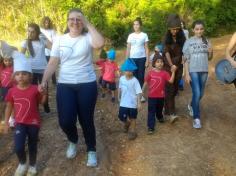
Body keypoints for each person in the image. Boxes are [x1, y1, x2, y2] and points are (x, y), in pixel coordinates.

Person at [39, 8, 104, 167]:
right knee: (65, 120)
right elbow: (53, 61)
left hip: (86, 84)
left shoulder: (88, 37)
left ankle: (91, 150)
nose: (75, 22)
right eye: (72, 19)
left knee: (86, 119)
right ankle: (73, 139)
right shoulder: (60, 40)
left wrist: (87, 21)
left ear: (82, 22)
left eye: (78, 19)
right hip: (65, 84)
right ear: (67, 22)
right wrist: (44, 81)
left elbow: (100, 43)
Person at [4, 52, 47, 176]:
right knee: (18, 147)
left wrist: (44, 93)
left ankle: (32, 165)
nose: (21, 76)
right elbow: (9, 106)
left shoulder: (34, 89)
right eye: (17, 74)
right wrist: (6, 122)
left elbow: (42, 103)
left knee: (33, 145)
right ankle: (22, 163)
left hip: (33, 123)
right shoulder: (12, 91)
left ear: (30, 76)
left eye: (24, 74)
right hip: (20, 123)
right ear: (14, 76)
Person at [183, 20, 213, 129]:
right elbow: (185, 59)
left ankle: (191, 105)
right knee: (197, 92)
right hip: (193, 70)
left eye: (201, 29)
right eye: (197, 29)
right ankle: (196, 119)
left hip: (204, 70)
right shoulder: (189, 42)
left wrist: (210, 52)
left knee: (201, 94)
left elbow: (210, 58)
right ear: (193, 30)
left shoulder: (207, 41)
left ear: (203, 29)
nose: (199, 31)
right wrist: (186, 73)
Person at [21, 23, 52, 113]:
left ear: (37, 32)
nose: (30, 34)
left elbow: (53, 48)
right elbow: (21, 56)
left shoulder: (42, 40)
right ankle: (35, 108)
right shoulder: (25, 42)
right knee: (33, 90)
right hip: (30, 70)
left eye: (33, 32)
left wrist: (46, 38)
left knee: (44, 88)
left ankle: (45, 104)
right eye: (29, 31)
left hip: (43, 69)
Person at [142, 53, 177, 134]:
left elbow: (171, 81)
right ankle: (151, 127)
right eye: (157, 62)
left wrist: (173, 72)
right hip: (151, 96)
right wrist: (142, 92)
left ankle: (160, 117)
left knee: (159, 109)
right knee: (151, 111)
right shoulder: (150, 73)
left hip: (161, 96)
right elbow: (146, 82)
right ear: (154, 63)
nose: (160, 63)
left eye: (161, 61)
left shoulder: (165, 73)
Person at [163, 14, 186, 122]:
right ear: (169, 29)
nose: (174, 31)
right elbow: (166, 52)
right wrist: (171, 65)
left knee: (175, 88)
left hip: (178, 66)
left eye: (176, 29)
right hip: (168, 66)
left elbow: (183, 51)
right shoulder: (166, 37)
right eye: (172, 29)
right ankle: (172, 113)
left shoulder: (182, 37)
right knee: (170, 89)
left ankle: (166, 108)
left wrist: (176, 65)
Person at [126, 17, 149, 102]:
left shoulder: (144, 35)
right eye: (134, 24)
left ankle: (141, 95)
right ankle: (134, 93)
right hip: (132, 59)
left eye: (137, 24)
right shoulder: (130, 36)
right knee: (133, 76)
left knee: (141, 76)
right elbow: (128, 48)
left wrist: (147, 60)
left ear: (140, 25)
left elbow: (146, 48)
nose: (135, 26)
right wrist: (127, 60)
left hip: (142, 58)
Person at [118, 59, 142, 140]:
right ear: (124, 70)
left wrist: (139, 103)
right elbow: (120, 88)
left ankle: (133, 131)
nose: (129, 72)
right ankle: (127, 123)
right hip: (123, 103)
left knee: (133, 118)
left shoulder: (135, 81)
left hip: (132, 104)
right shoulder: (121, 79)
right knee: (121, 116)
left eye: (131, 71)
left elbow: (139, 92)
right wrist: (118, 96)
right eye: (127, 70)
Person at [0, 41, 17, 126]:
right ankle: (5, 117)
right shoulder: (1, 68)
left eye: (10, 60)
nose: (8, 62)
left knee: (12, 103)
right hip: (4, 89)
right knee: (5, 103)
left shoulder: (14, 68)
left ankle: (12, 119)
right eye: (6, 61)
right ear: (3, 61)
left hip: (12, 88)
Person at [40, 16, 57, 85]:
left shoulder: (52, 31)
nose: (46, 24)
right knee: (44, 67)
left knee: (52, 66)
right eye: (45, 22)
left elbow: (55, 40)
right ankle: (44, 81)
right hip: (42, 52)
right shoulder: (40, 30)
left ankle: (54, 81)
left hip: (51, 52)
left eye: (48, 22)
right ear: (43, 23)